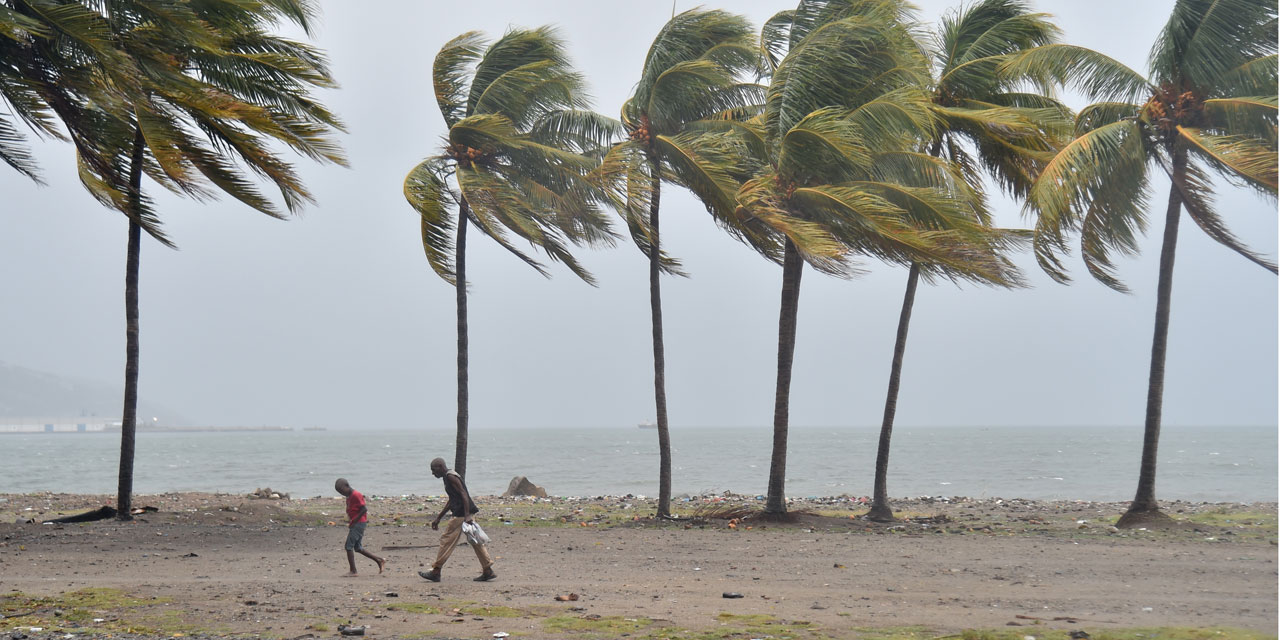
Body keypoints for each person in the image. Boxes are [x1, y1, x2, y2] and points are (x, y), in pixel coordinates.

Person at [418, 457, 496, 582]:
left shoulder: (451, 477)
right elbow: (452, 499)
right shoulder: (447, 477)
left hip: (461, 515)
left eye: (433, 470)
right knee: (475, 541)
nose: (433, 473)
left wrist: (466, 515)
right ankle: (487, 570)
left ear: (440, 467)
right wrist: (439, 517)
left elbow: (463, 493)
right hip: (464, 513)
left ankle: (436, 571)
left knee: (446, 541)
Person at [335, 478, 385, 577]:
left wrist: (354, 521)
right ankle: (379, 560)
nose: (342, 493)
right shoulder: (349, 496)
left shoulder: (356, 495)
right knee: (358, 548)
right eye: (339, 492)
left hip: (359, 523)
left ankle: (353, 571)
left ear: (347, 486)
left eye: (342, 491)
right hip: (356, 523)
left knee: (348, 546)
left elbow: (364, 509)